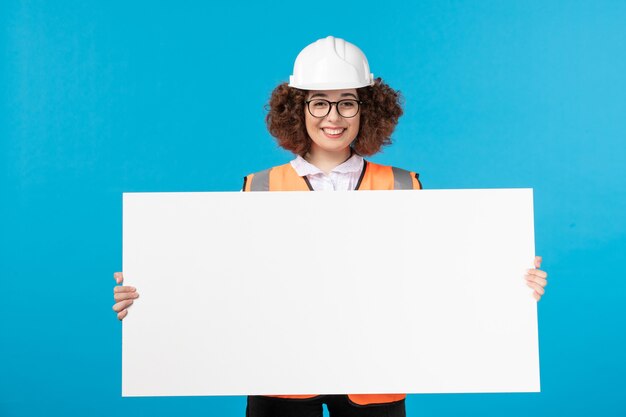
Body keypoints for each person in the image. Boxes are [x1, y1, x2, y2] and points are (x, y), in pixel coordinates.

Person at [112, 36, 549, 417]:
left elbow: (435, 274)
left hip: (376, 373)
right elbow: (229, 281)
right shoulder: (259, 186)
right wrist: (152, 295)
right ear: (297, 109)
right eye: (318, 102)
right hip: (279, 373)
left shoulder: (402, 184)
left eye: (347, 101)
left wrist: (508, 284)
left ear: (367, 109)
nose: (332, 115)